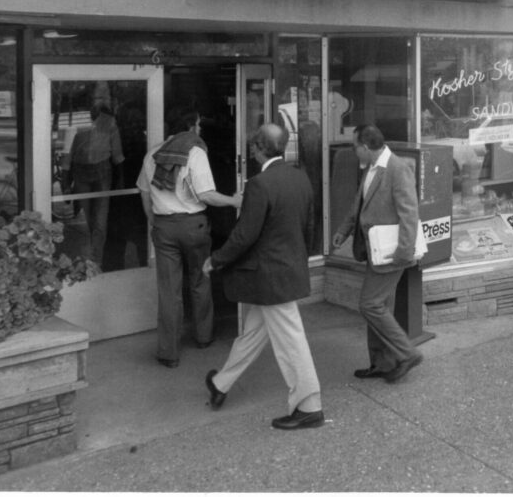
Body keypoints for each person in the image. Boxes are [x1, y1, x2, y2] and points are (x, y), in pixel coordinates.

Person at [202, 124, 325, 431]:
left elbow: (245, 235)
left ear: (257, 149)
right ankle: (220, 384)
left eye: (253, 146)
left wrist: (216, 260)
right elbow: (309, 228)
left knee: (291, 341)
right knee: (253, 334)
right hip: (286, 271)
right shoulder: (300, 177)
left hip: (268, 276)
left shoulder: (259, 184)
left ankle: (310, 406)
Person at [136, 110, 241, 368]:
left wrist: (153, 219)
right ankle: (203, 336)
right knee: (199, 278)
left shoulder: (153, 153)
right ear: (191, 127)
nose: (201, 130)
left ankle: (168, 352)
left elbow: (143, 192)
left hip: (163, 226)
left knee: (168, 289)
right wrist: (233, 200)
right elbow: (206, 194)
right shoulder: (194, 153)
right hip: (193, 225)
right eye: (198, 125)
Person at [331, 124, 424, 383]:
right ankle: (382, 363)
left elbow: (409, 213)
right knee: (381, 306)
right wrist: (344, 230)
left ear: (365, 147)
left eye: (354, 147)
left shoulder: (397, 169)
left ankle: (407, 353)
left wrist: (404, 252)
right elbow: (358, 204)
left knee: (369, 305)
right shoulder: (371, 168)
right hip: (375, 250)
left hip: (392, 252)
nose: (353, 151)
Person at [68, 101, 125, 267]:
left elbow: (118, 157)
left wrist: (121, 180)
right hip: (82, 173)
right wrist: (68, 183)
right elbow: (71, 157)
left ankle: (96, 259)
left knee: (99, 219)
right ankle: (92, 256)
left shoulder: (111, 131)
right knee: (89, 218)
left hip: (102, 173)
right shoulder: (82, 131)